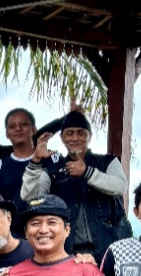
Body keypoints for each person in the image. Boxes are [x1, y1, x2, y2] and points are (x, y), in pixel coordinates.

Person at [22, 107, 132, 264]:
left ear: (89, 136)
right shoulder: (53, 169)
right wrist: (35, 161)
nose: (75, 137)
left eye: (81, 132)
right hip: (68, 253)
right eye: (69, 133)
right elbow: (31, 199)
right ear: (62, 137)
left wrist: (87, 172)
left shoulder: (108, 162)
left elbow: (120, 186)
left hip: (110, 249)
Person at [0, 109, 40, 232]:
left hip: (49, 235)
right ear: (7, 133)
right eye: (12, 126)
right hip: (13, 237)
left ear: (34, 129)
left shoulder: (52, 160)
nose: (18, 129)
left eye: (24, 124)